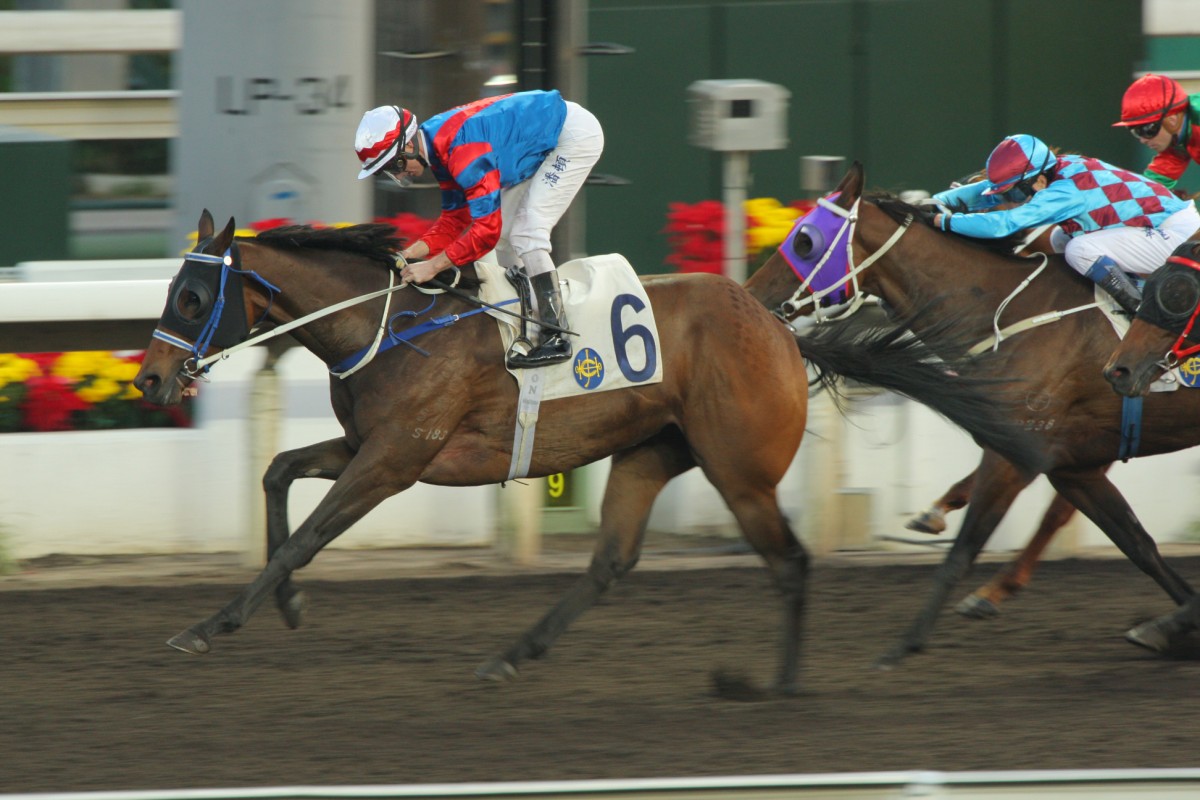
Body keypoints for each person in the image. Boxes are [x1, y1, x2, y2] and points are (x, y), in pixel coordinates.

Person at [353, 90, 605, 368]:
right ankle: (530, 321)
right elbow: (454, 220)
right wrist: (409, 254)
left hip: (571, 136)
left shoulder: (461, 152)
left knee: (526, 233)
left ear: (409, 145)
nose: (399, 174)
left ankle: (556, 335)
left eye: (395, 164)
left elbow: (486, 232)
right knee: (508, 238)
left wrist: (433, 266)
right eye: (389, 171)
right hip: (539, 138)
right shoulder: (437, 148)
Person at [930, 133, 1200, 314]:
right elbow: (986, 193)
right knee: (1062, 238)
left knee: (1078, 249)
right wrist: (934, 203)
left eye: (1014, 192)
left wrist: (946, 222)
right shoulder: (1055, 169)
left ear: (1037, 180)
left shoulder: (1065, 192)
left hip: (1179, 237)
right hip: (1161, 227)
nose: (1011, 199)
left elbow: (1004, 224)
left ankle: (1141, 311)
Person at [1112, 73, 1200, 192]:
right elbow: (1149, 190)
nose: (1143, 140)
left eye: (1147, 130)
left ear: (1172, 121)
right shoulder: (1177, 140)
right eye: (1136, 132)